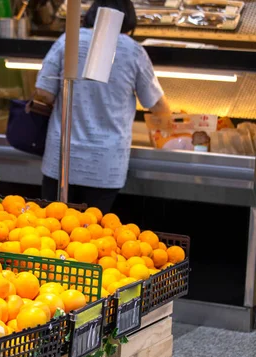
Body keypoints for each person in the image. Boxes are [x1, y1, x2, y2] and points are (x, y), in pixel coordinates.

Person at [35, 0, 171, 213]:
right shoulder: (133, 51)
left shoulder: (68, 40)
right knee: (94, 236)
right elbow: (158, 106)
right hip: (104, 165)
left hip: (62, 160)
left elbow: (43, 92)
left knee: (53, 231)